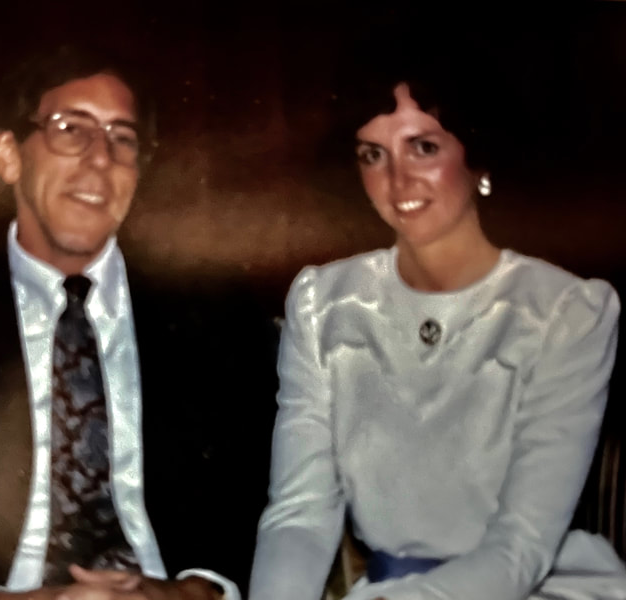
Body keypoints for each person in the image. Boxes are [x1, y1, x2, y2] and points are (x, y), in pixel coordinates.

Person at [0, 46, 278, 600]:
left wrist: (197, 589)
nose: (100, 158)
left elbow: (268, 485)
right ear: (8, 155)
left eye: (122, 138)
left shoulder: (210, 307)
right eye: (71, 129)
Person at [248, 65, 626, 600]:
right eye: (373, 155)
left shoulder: (565, 312)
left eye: (423, 148)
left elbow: (521, 546)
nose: (397, 180)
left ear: (478, 159)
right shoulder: (323, 304)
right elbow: (299, 514)